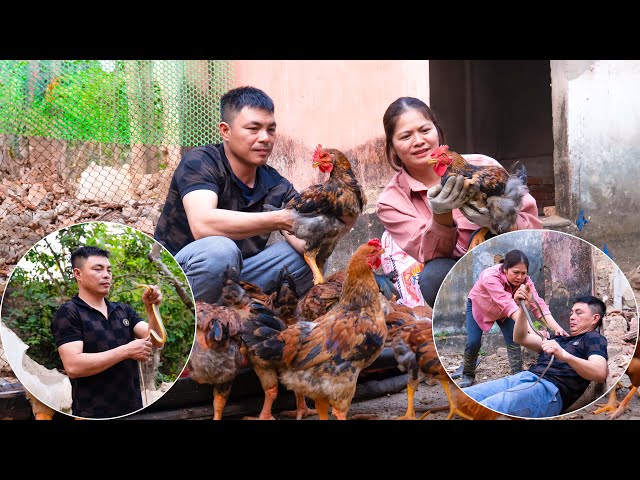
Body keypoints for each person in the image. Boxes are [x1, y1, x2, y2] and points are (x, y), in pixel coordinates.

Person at [376, 97, 541, 307]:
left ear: (437, 131)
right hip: (455, 270)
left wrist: (497, 223)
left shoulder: (483, 165)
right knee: (433, 276)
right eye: (406, 136)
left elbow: (532, 225)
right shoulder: (392, 201)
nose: (418, 141)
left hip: (504, 257)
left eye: (425, 130)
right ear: (392, 146)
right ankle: (461, 320)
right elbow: (430, 256)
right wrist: (441, 215)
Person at [154, 86, 313, 304]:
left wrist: (337, 222)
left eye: (271, 130)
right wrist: (278, 219)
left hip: (234, 279)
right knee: (220, 250)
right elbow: (203, 225)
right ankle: (192, 327)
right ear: (225, 131)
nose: (265, 138)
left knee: (304, 257)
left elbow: (305, 241)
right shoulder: (201, 162)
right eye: (253, 128)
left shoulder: (277, 184)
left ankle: (237, 326)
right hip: (178, 281)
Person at [51, 246, 161, 419]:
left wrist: (151, 309)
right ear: (78, 274)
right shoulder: (69, 313)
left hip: (134, 409)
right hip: (93, 413)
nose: (106, 275)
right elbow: (73, 366)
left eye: (109, 270)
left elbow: (155, 340)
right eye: (98, 269)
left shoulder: (123, 309)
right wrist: (126, 351)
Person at [462, 294, 609, 418]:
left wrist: (564, 355)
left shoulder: (592, 338)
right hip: (524, 378)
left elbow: (600, 373)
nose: (572, 317)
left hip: (550, 391)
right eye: (572, 312)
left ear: (595, 318)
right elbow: (520, 338)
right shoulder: (560, 338)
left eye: (579, 313)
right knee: (464, 397)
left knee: (489, 407)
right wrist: (522, 309)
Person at [458, 249, 568, 388]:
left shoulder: (526, 282)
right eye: (515, 272)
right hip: (480, 307)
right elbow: (507, 304)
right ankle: (468, 373)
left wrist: (557, 327)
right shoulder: (490, 276)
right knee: (473, 342)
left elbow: (538, 305)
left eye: (523, 273)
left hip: (507, 313)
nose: (520, 277)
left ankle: (517, 374)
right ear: (505, 269)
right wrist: (534, 332)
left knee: (514, 340)